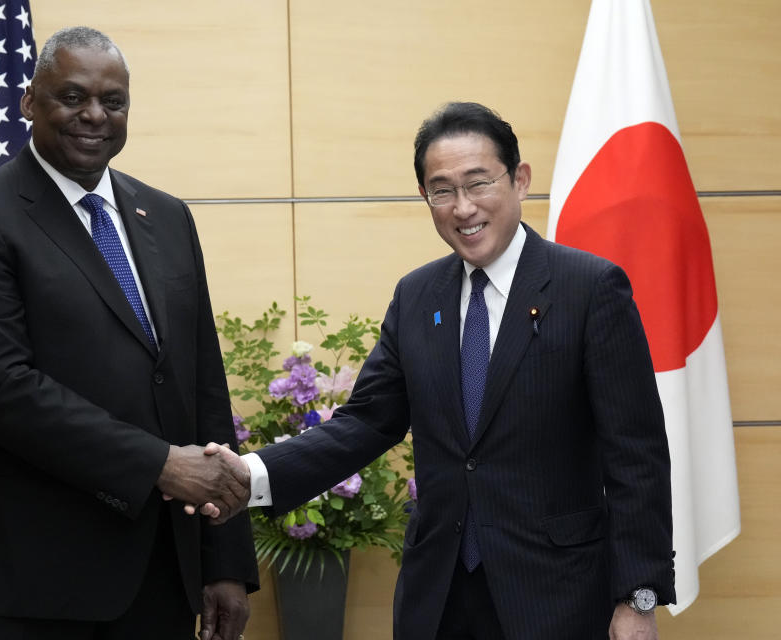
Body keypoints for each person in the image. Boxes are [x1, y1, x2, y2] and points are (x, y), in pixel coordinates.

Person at [200, 102, 676, 639]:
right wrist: (251, 474)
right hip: (440, 597)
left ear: (519, 180)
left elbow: (636, 455)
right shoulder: (417, 294)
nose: (463, 207)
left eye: (479, 183)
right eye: (442, 190)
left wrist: (638, 599)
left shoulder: (589, 289)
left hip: (556, 596)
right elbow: (367, 422)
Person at [0, 26, 257, 640]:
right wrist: (158, 464)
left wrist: (225, 561)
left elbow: (204, 387)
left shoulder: (169, 216)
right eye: (72, 97)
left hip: (159, 577)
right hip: (27, 585)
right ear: (29, 102)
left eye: (113, 101)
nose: (94, 115)